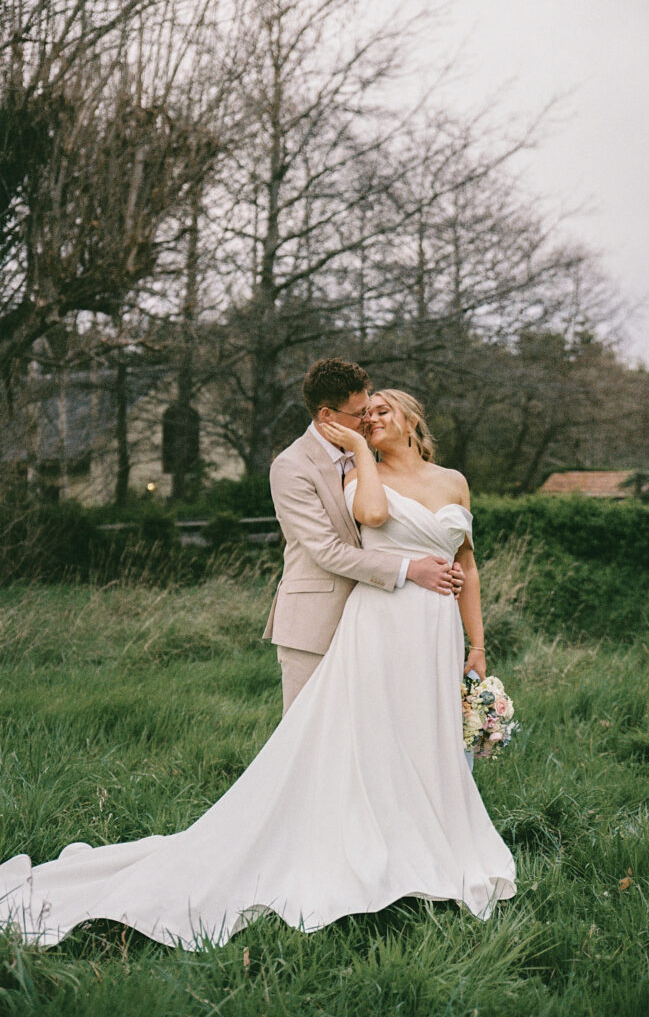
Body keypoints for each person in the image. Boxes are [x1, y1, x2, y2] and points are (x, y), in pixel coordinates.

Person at [0, 388, 516, 950]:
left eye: (380, 411)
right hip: (384, 623)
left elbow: (466, 562)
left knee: (426, 735)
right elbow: (371, 516)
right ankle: (371, 847)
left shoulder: (454, 481)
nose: (369, 419)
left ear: (413, 418)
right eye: (363, 416)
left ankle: (430, 841)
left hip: (437, 629)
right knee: (374, 734)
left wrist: (477, 644)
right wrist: (364, 457)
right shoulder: (358, 477)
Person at [265, 357, 465, 713]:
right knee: (309, 735)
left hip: (376, 622)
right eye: (359, 413)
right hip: (315, 623)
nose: (368, 419)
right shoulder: (291, 467)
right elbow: (327, 551)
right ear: (327, 415)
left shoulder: (369, 455)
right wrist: (410, 568)